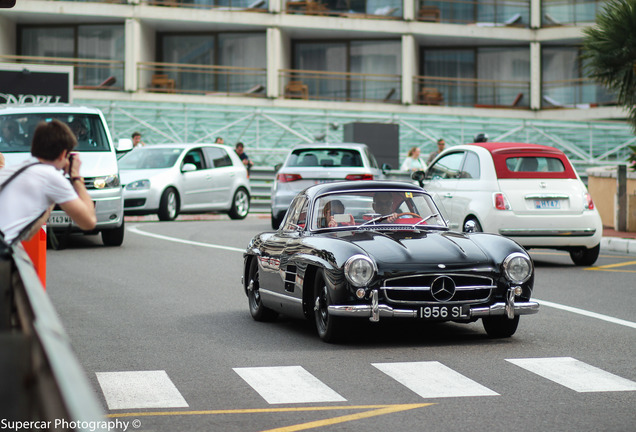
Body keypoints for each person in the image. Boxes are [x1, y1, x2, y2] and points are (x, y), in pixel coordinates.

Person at [0, 120, 97, 245]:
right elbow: (89, 222)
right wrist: (77, 179)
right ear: (63, 154)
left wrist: (50, 201)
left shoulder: (15, 170)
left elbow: (29, 234)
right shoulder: (50, 177)